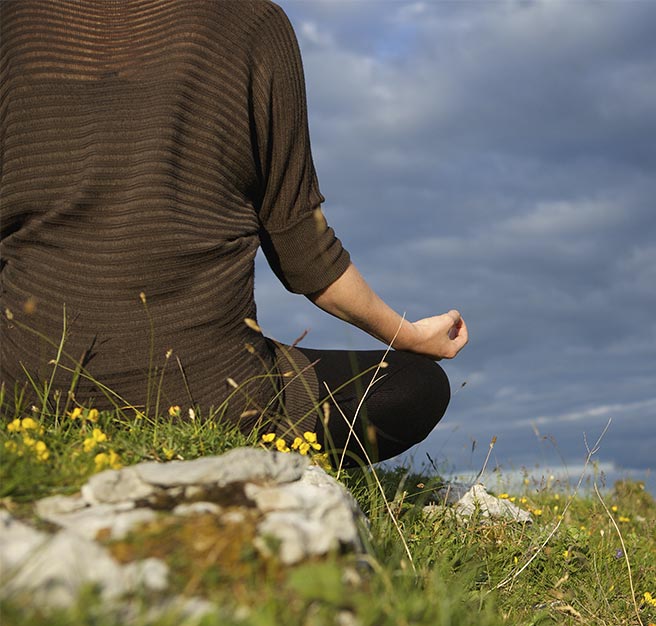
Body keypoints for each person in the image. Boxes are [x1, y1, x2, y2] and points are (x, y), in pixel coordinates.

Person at [0, 0, 468, 468]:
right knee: (414, 383)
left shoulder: (13, 21)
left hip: (26, 396)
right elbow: (306, 254)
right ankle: (253, 452)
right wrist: (407, 336)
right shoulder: (253, 22)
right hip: (217, 400)